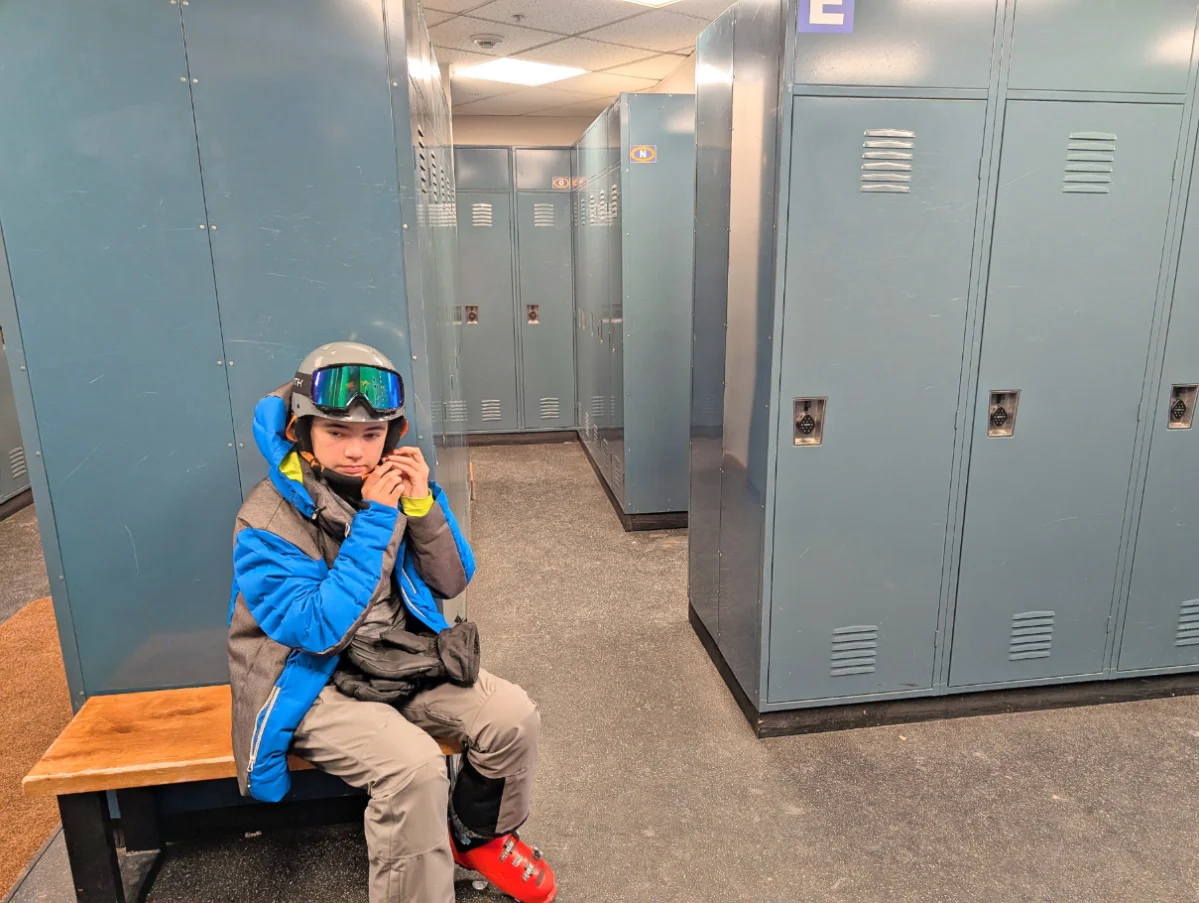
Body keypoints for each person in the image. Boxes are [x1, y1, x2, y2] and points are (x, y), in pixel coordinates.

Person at [226, 341, 557, 903]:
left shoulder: (398, 488)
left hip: (393, 661)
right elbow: (317, 630)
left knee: (512, 716)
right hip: (309, 681)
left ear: (391, 436)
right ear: (299, 435)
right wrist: (377, 522)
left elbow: (453, 580)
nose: (357, 452)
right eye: (336, 432)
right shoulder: (263, 522)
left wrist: (423, 506)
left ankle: (478, 837)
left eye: (371, 435)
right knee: (414, 767)